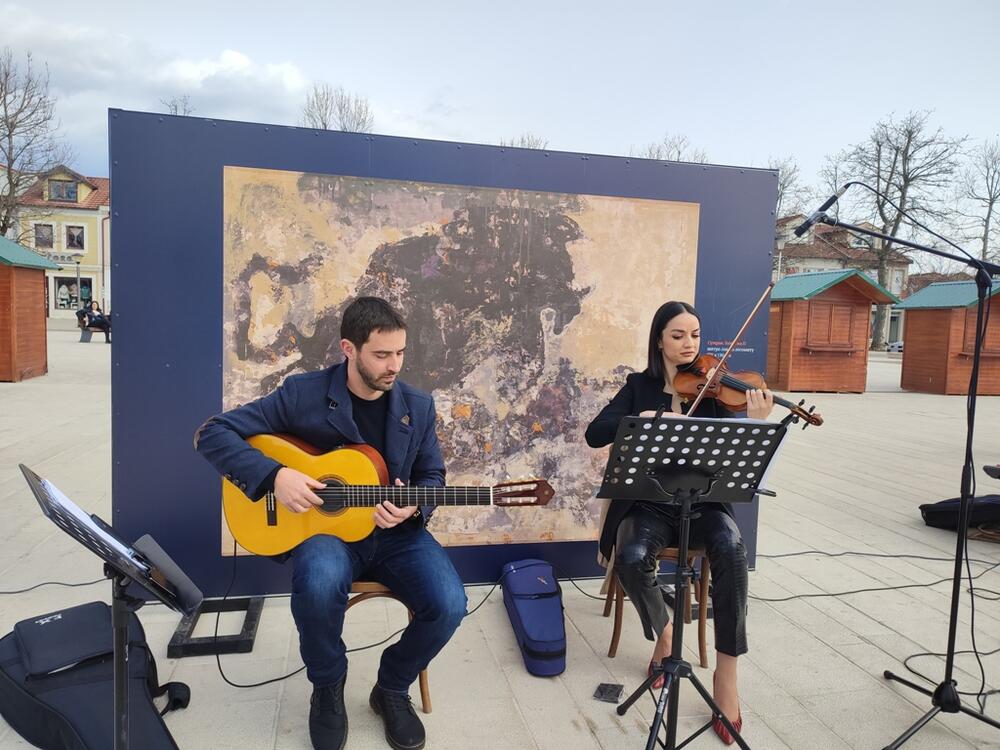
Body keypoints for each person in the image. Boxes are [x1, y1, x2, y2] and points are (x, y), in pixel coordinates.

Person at [195, 296, 467, 750]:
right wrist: (275, 475)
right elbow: (212, 433)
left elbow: (432, 476)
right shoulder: (302, 394)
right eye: (381, 355)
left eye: (400, 353)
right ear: (349, 348)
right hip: (326, 535)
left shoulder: (417, 407)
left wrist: (414, 508)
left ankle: (392, 687)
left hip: (395, 534)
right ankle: (327, 686)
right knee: (319, 583)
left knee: (450, 603)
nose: (393, 365)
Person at [585, 301, 773, 745]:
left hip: (704, 506)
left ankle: (727, 678)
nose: (689, 344)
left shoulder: (717, 392)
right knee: (631, 557)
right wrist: (650, 418)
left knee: (731, 550)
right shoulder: (638, 386)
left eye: (694, 335)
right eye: (677, 335)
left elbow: (737, 462)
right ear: (659, 340)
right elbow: (596, 432)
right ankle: (667, 637)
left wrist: (756, 423)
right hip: (648, 505)